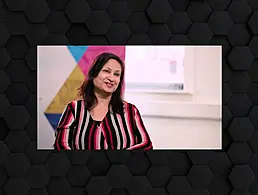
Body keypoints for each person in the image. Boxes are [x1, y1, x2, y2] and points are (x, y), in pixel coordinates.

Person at [54, 52, 153, 150]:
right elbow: (60, 146)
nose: (111, 78)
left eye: (117, 74)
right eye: (106, 71)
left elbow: (146, 144)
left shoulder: (131, 110)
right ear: (94, 74)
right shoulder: (74, 109)